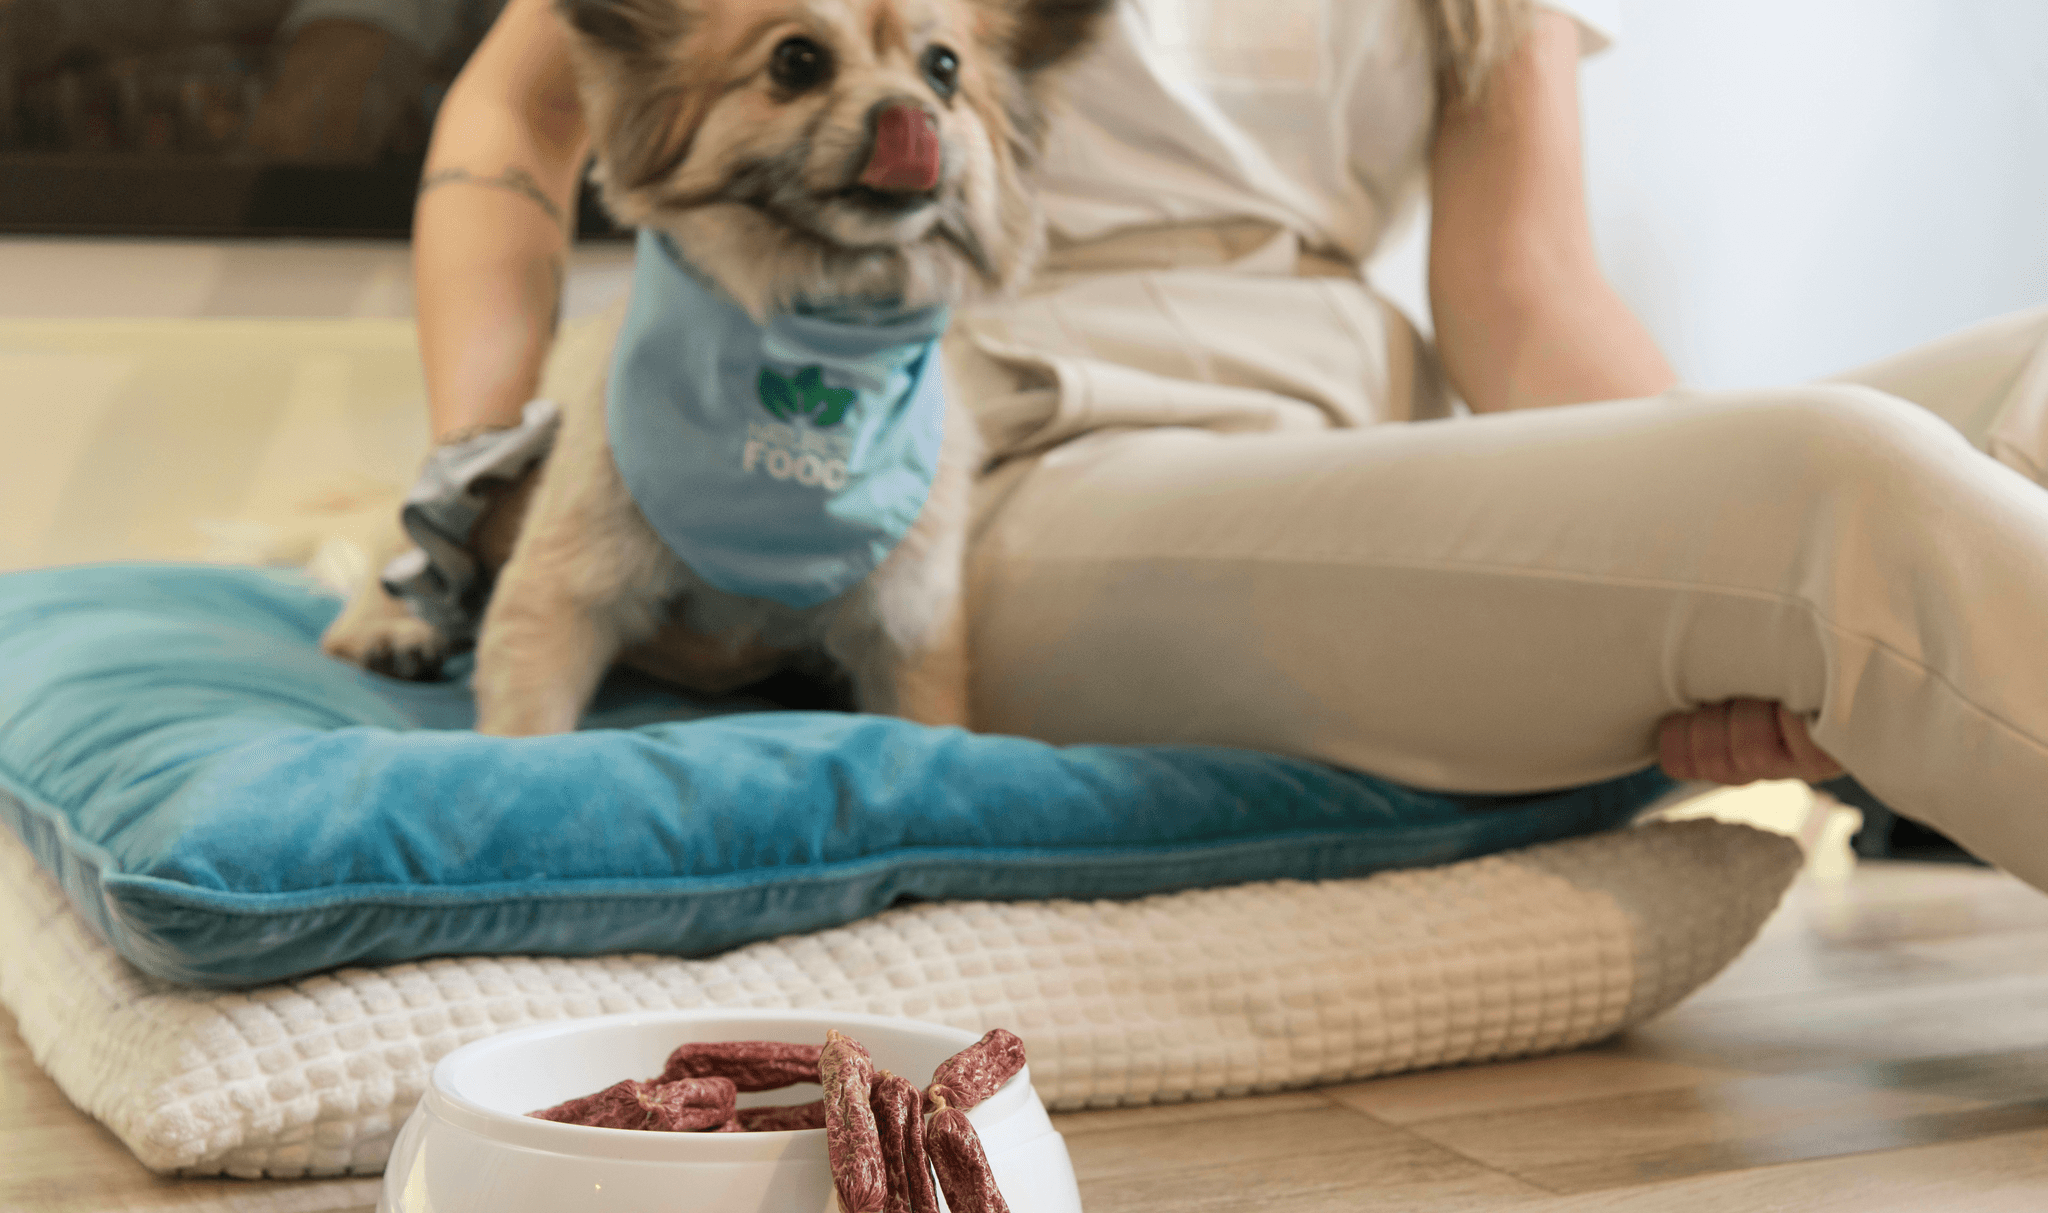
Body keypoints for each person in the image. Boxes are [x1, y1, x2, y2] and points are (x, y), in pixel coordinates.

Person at [403, 0, 2048, 890]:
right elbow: (523, 104)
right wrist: (480, 463)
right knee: (1845, 491)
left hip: (1366, 446)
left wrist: (1682, 536)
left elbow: (1527, 290)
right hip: (1017, 449)